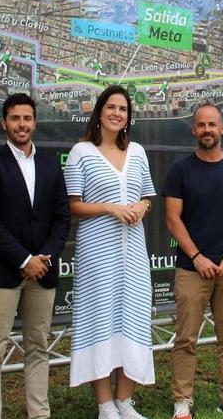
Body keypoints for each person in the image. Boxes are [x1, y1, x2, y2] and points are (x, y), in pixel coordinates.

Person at [0, 93, 70, 419]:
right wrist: (24, 260)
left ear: (35, 122)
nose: (21, 124)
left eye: (27, 118)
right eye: (15, 118)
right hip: (3, 272)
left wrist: (44, 258)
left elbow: (62, 218)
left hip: (43, 272)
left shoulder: (50, 164)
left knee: (38, 348)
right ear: (4, 123)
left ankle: (39, 414)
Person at [64, 85, 156, 419]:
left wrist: (141, 208)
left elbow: (147, 197)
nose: (117, 113)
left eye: (123, 109)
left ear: (128, 117)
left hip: (133, 255)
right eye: (111, 107)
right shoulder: (80, 153)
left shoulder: (139, 152)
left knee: (133, 319)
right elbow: (73, 205)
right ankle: (105, 405)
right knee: (98, 320)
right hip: (97, 255)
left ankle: (124, 402)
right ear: (99, 111)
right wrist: (109, 208)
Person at [163, 103, 223, 419]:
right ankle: (182, 401)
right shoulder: (180, 170)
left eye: (212, 125)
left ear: (222, 128)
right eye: (201, 125)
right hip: (192, 269)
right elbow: (173, 219)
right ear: (193, 130)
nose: (207, 130)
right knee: (185, 339)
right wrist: (197, 257)